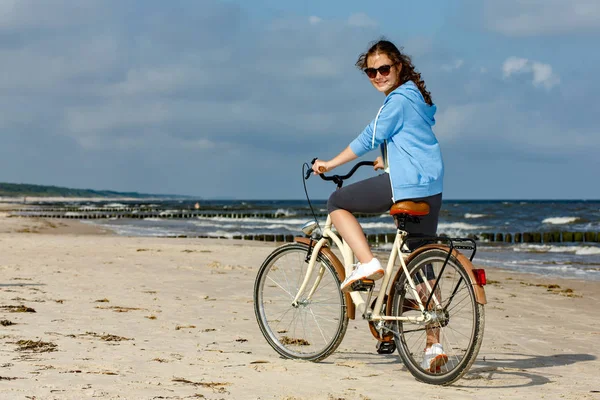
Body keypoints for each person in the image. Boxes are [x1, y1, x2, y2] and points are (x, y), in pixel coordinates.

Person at [311, 39, 446, 371]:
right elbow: (412, 138)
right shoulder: (415, 95)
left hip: (405, 185)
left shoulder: (397, 101)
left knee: (337, 201)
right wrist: (387, 160)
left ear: (398, 66)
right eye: (371, 71)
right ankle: (434, 346)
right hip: (430, 186)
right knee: (421, 261)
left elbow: (369, 136)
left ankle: (367, 262)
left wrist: (330, 163)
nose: (378, 75)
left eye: (384, 68)